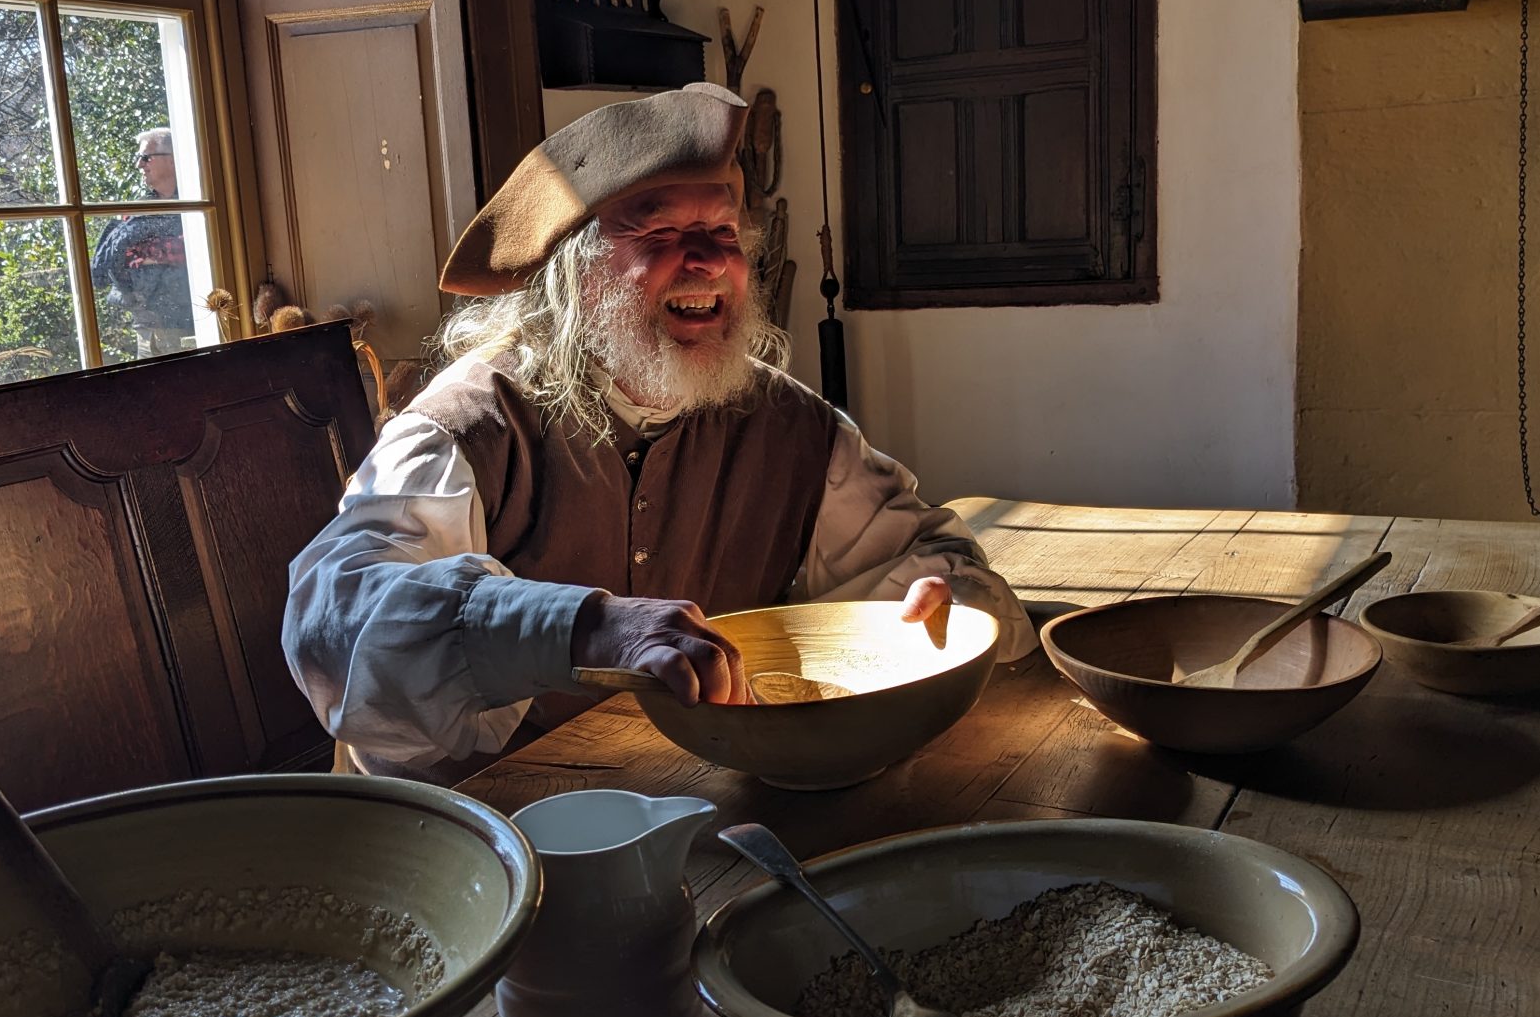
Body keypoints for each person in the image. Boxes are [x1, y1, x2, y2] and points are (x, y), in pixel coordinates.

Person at [281, 83, 1035, 782]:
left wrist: (941, 602)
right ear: (575, 273)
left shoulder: (790, 427)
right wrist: (584, 628)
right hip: (493, 839)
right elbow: (332, 616)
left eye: (722, 231)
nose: (708, 260)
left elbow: (932, 558)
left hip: (710, 806)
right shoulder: (470, 425)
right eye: (662, 231)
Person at [90, 127, 193, 355]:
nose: (139, 164)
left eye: (146, 157)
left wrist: (150, 253)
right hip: (146, 324)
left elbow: (195, 249)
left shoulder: (194, 204)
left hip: (183, 324)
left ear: (173, 160)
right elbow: (117, 258)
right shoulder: (139, 211)